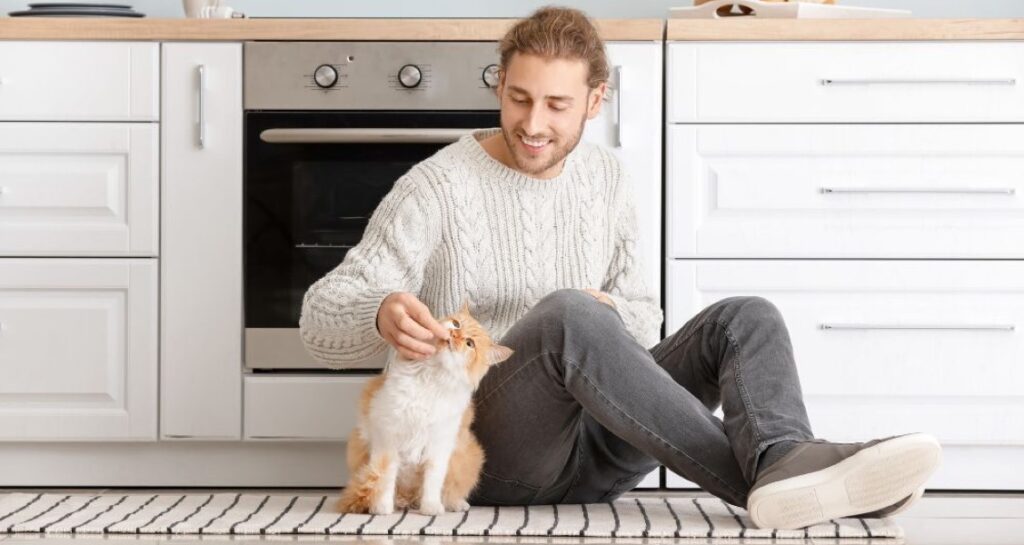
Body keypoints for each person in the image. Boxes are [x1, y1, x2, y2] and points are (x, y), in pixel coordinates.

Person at [299, 6, 941, 530]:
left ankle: (783, 460)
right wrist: (380, 314)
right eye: (519, 99)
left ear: (596, 99)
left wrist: (613, 318)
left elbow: (642, 317)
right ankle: (780, 483)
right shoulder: (436, 187)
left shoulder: (607, 179)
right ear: (499, 86)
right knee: (568, 315)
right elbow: (319, 318)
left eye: (556, 105)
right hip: (492, 458)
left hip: (600, 454)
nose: (532, 124)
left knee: (747, 318)